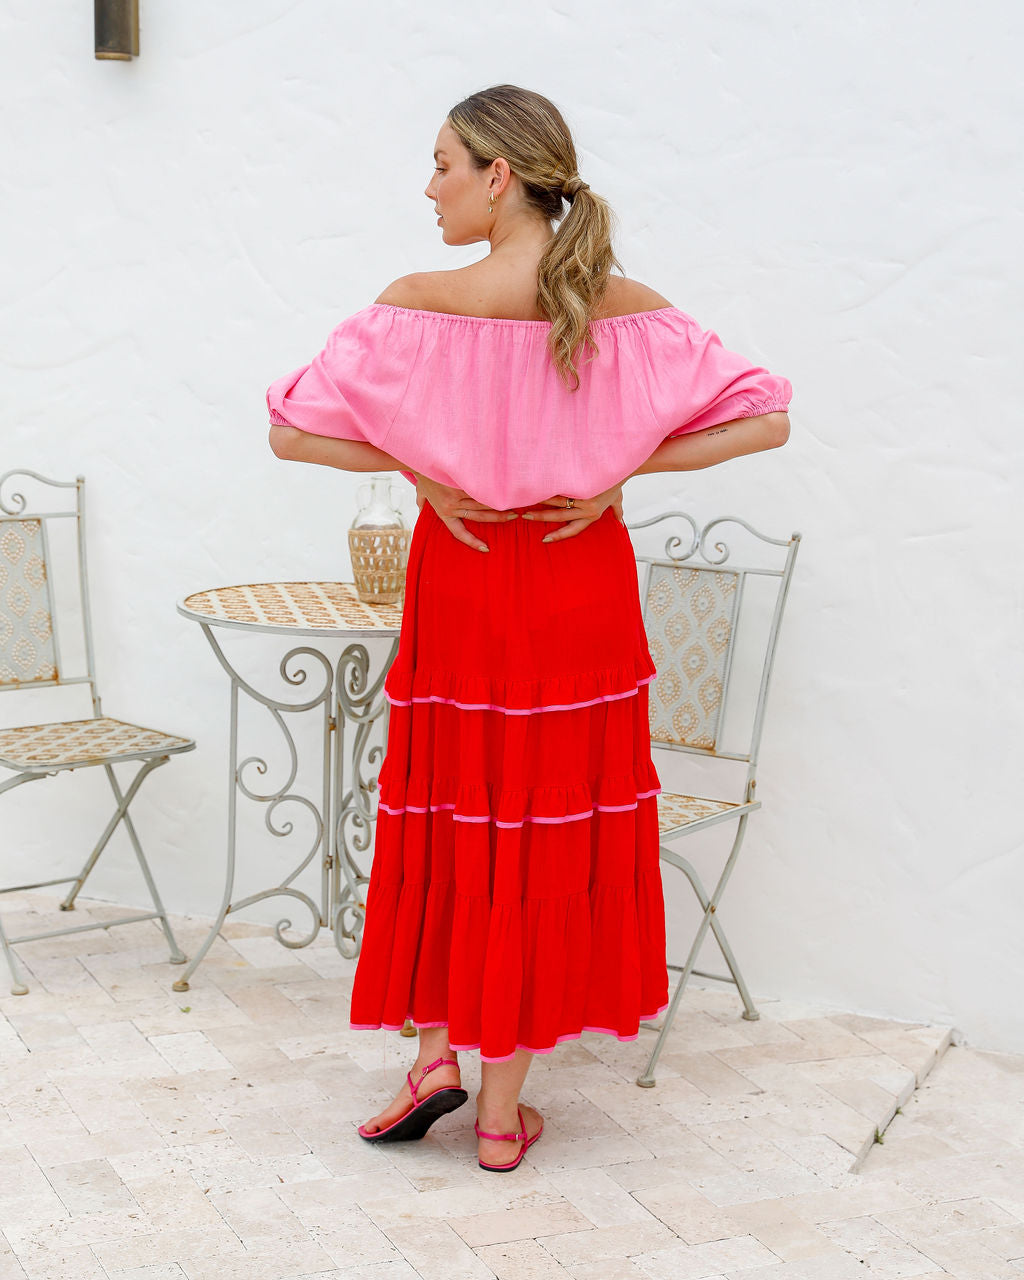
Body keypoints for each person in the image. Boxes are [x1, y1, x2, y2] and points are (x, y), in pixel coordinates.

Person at [266, 84, 792, 1173]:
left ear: (498, 175)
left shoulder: (418, 302)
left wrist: (420, 465)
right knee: (540, 827)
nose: (431, 187)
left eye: (443, 163)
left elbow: (290, 429)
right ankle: (500, 1112)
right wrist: (612, 469)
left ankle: (434, 1055)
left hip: (459, 577)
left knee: (452, 813)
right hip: (577, 583)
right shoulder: (623, 303)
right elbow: (764, 415)